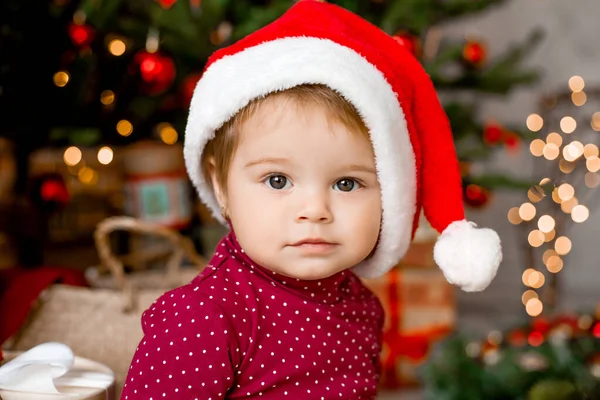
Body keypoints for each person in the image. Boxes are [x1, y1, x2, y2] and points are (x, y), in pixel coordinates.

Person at [120, 0, 502, 398]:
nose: (315, 211)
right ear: (221, 187)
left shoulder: (361, 306)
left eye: (347, 184)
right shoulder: (205, 317)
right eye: (278, 180)